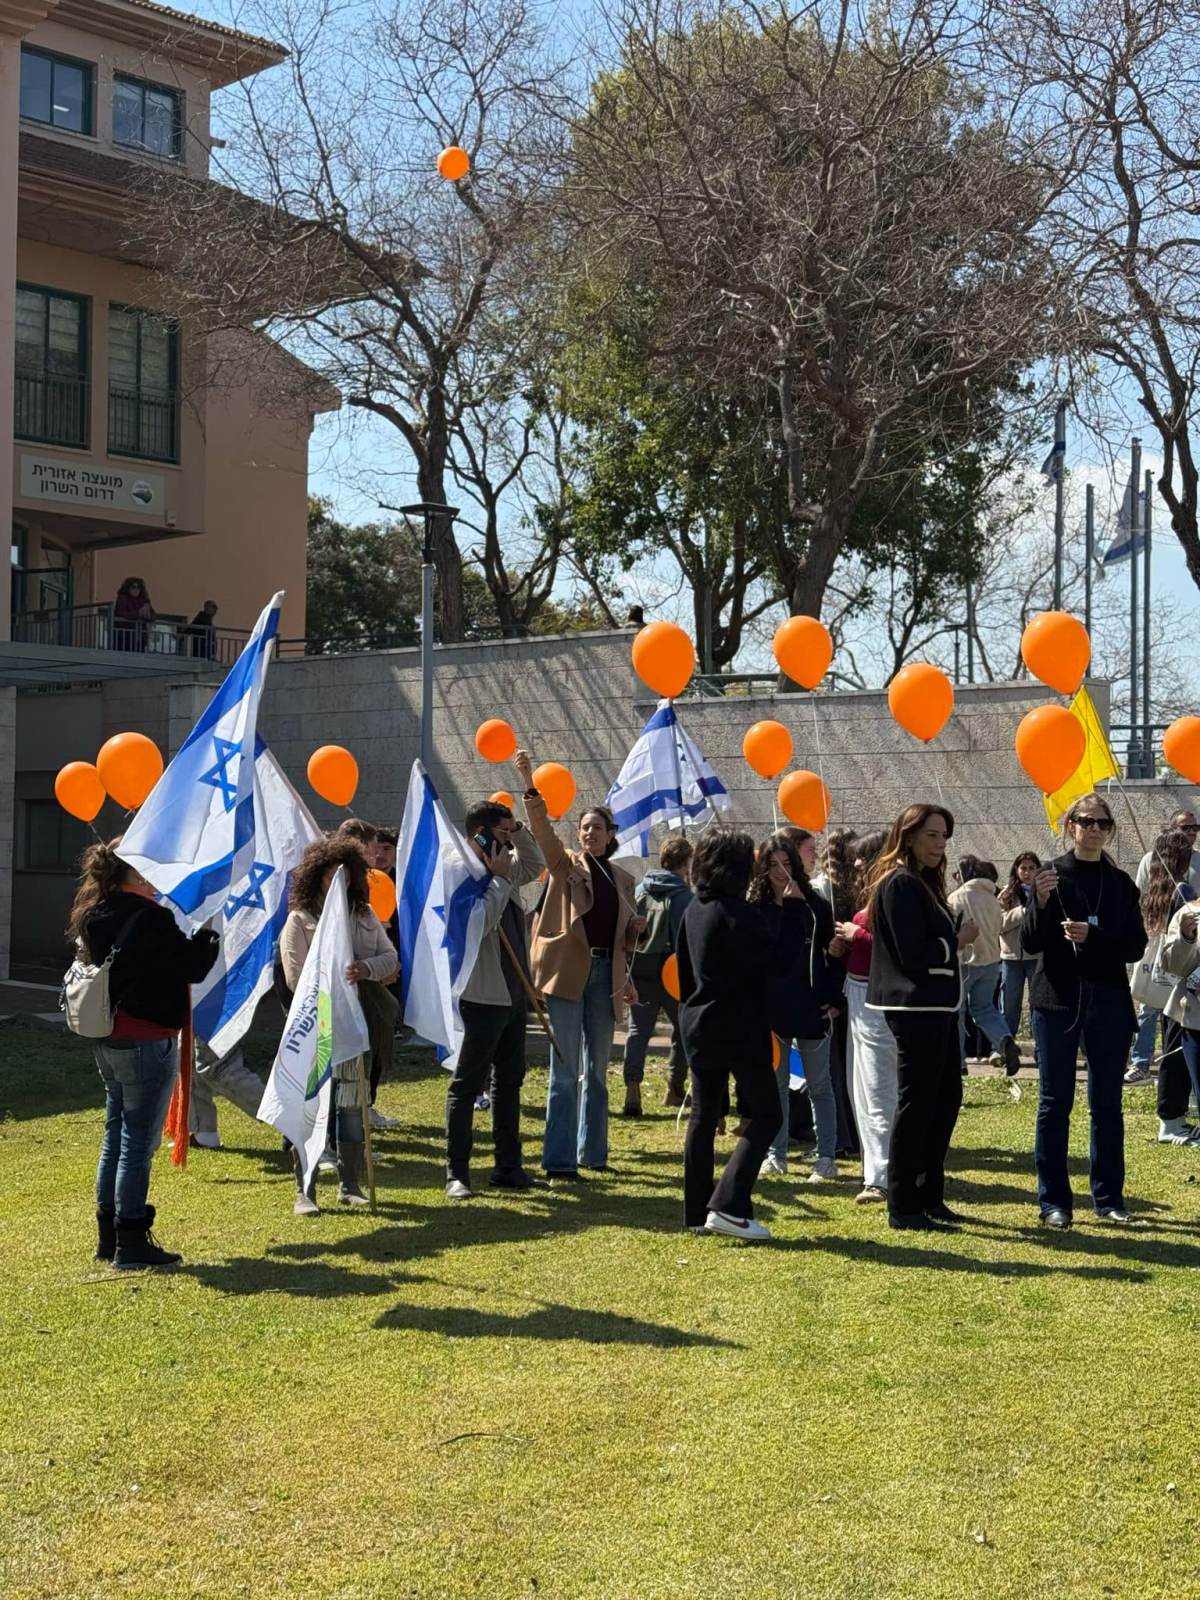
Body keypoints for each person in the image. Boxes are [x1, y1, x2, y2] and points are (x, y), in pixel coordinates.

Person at [68, 839, 219, 1269]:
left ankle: (110, 1236)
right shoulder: (151, 917)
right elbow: (192, 966)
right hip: (147, 1040)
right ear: (134, 871)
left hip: (110, 1036)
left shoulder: (95, 911)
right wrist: (209, 930)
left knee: (116, 1135)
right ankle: (130, 1241)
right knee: (136, 1143)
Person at [1022, 791, 1146, 1229]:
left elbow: (1135, 946)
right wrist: (1038, 904)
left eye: (1102, 823)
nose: (1094, 829)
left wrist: (1094, 937)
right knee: (1055, 1102)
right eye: (1086, 821)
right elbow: (1030, 942)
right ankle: (1054, 1202)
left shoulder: (1120, 883)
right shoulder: (1050, 875)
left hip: (1108, 1000)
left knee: (1107, 1104)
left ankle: (1109, 1198)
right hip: (1057, 1000)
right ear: (1070, 825)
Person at [517, 749, 641, 1180]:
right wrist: (530, 783)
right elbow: (542, 832)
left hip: (607, 978)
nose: (589, 833)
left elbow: (624, 941)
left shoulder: (624, 880)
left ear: (611, 835)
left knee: (598, 1073)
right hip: (568, 975)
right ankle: (559, 1161)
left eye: (597, 827)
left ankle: (594, 1154)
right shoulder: (564, 864)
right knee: (565, 1071)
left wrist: (634, 939)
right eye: (585, 827)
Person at [677, 827, 806, 1240]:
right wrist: (792, 912)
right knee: (767, 1114)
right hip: (738, 1025)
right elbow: (778, 965)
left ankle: (697, 1212)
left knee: (703, 1116)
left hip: (698, 1021)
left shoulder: (694, 909)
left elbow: (684, 971)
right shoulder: (739, 914)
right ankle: (728, 1205)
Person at [865, 804, 973, 1231]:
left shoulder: (922, 882)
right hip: (914, 1008)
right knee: (917, 1104)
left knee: (944, 1100)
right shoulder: (898, 883)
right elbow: (912, 952)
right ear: (908, 836)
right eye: (931, 835)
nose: (940, 844)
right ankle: (902, 1203)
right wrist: (956, 940)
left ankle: (929, 1195)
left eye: (944, 836)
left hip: (937, 1006)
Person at [279, 837, 398, 1213]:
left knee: (350, 1107)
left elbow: (390, 958)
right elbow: (295, 978)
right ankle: (305, 1191)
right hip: (315, 1027)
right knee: (310, 1110)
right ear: (317, 877)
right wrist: (329, 979)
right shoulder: (299, 920)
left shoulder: (364, 914)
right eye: (333, 875)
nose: (340, 883)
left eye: (346, 876)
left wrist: (365, 968)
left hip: (354, 1025)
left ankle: (350, 1185)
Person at [444, 794, 546, 1198]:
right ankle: (457, 1172)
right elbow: (479, 924)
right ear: (481, 835)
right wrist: (500, 881)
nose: (507, 839)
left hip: (513, 992)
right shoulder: (461, 873)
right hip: (481, 994)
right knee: (468, 1084)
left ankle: (508, 1166)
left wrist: (518, 830)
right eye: (501, 833)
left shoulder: (503, 864)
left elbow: (535, 864)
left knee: (509, 1080)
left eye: (509, 832)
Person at [749, 831, 844, 1181]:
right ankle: (776, 1155)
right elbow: (768, 958)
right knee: (775, 1087)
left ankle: (826, 1158)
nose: (780, 871)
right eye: (772, 864)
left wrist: (834, 1001)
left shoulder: (815, 905)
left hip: (812, 1007)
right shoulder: (756, 908)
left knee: (820, 1086)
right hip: (771, 1010)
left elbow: (833, 956)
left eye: (786, 863)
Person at [835, 829, 895, 1204]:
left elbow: (894, 948)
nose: (856, 863)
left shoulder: (891, 891)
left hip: (876, 998)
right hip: (859, 992)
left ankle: (882, 1176)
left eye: (863, 856)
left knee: (876, 1087)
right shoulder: (876, 892)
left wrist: (856, 933)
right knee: (860, 1087)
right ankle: (875, 1168)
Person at [1128, 829, 1198, 1141]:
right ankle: (1171, 1121)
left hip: (1158, 978)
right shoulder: (1182, 890)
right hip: (1180, 980)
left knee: (1170, 1045)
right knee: (1176, 1050)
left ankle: (1172, 1117)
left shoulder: (1152, 890)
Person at [331, 817, 398, 1126]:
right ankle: (331, 1127)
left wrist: (369, 968)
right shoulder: (327, 902)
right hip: (333, 995)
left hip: (366, 987)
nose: (374, 858)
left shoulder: (364, 906)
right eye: (370, 849)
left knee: (376, 1037)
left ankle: (362, 1108)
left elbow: (388, 955)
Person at [622, 832, 694, 1116]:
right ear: (686, 863)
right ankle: (674, 1087)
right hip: (674, 972)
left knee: (638, 1032)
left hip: (641, 968)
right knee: (684, 1031)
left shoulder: (640, 889)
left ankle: (632, 1088)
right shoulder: (685, 897)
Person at [949, 856, 1022, 1078]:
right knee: (985, 1008)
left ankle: (958, 1061)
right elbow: (999, 926)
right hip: (991, 961)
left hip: (965, 962)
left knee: (957, 1011)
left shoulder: (956, 897)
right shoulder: (992, 898)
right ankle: (1004, 1040)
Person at [1157, 893, 1200, 1143]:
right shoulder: (1188, 913)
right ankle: (1172, 1123)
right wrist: (1185, 937)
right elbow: (1171, 965)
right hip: (1194, 1018)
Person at [998, 852, 1040, 1046]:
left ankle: (1040, 1044)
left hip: (1037, 956)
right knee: (1009, 1004)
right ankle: (1007, 1046)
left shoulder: (1044, 892)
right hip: (1011, 957)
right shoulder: (1006, 894)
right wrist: (1021, 912)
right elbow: (998, 924)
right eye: (1023, 868)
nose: (1027, 872)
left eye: (1032, 868)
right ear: (1016, 870)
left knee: (1037, 1004)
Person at [1134, 808, 1200, 897]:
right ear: (1172, 830)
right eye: (1185, 828)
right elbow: (1139, 895)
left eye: (1195, 828)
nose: (1192, 832)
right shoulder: (1150, 859)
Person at [113, 576, 154, 653]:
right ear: (128, 588)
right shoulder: (123, 598)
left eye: (139, 587)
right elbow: (120, 613)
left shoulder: (143, 600)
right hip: (124, 636)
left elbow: (153, 615)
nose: (136, 589)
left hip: (140, 637)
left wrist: (147, 614)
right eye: (133, 587)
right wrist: (138, 613)